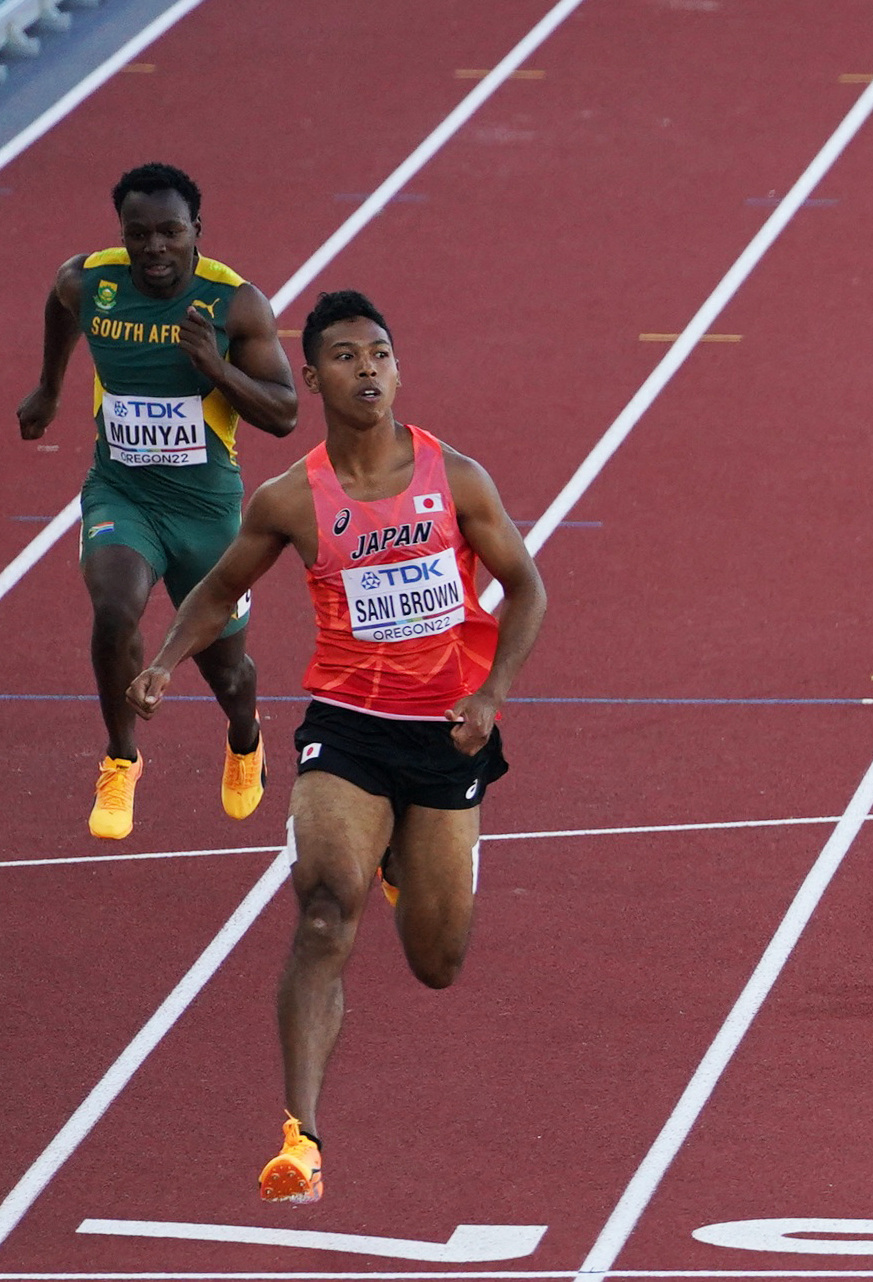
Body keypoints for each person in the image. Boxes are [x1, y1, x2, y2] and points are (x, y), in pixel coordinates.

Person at [126, 291, 547, 1204]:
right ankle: (301, 1139)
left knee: (436, 965)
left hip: (446, 736)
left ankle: (411, 852)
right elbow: (218, 586)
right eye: (348, 357)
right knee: (322, 912)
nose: (368, 370)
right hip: (347, 731)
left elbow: (526, 585)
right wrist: (163, 662)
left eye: (381, 354)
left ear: (398, 370)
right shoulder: (291, 499)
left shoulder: (458, 478)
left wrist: (491, 694)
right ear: (312, 377)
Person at [15, 162, 298, 838]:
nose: (154, 248)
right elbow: (61, 306)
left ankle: (243, 737)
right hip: (123, 490)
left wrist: (216, 368)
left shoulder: (235, 304)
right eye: (138, 234)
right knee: (115, 610)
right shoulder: (92, 281)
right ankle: (120, 758)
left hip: (207, 507)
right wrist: (50, 388)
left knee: (226, 672)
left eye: (170, 232)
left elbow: (286, 414)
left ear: (196, 231)